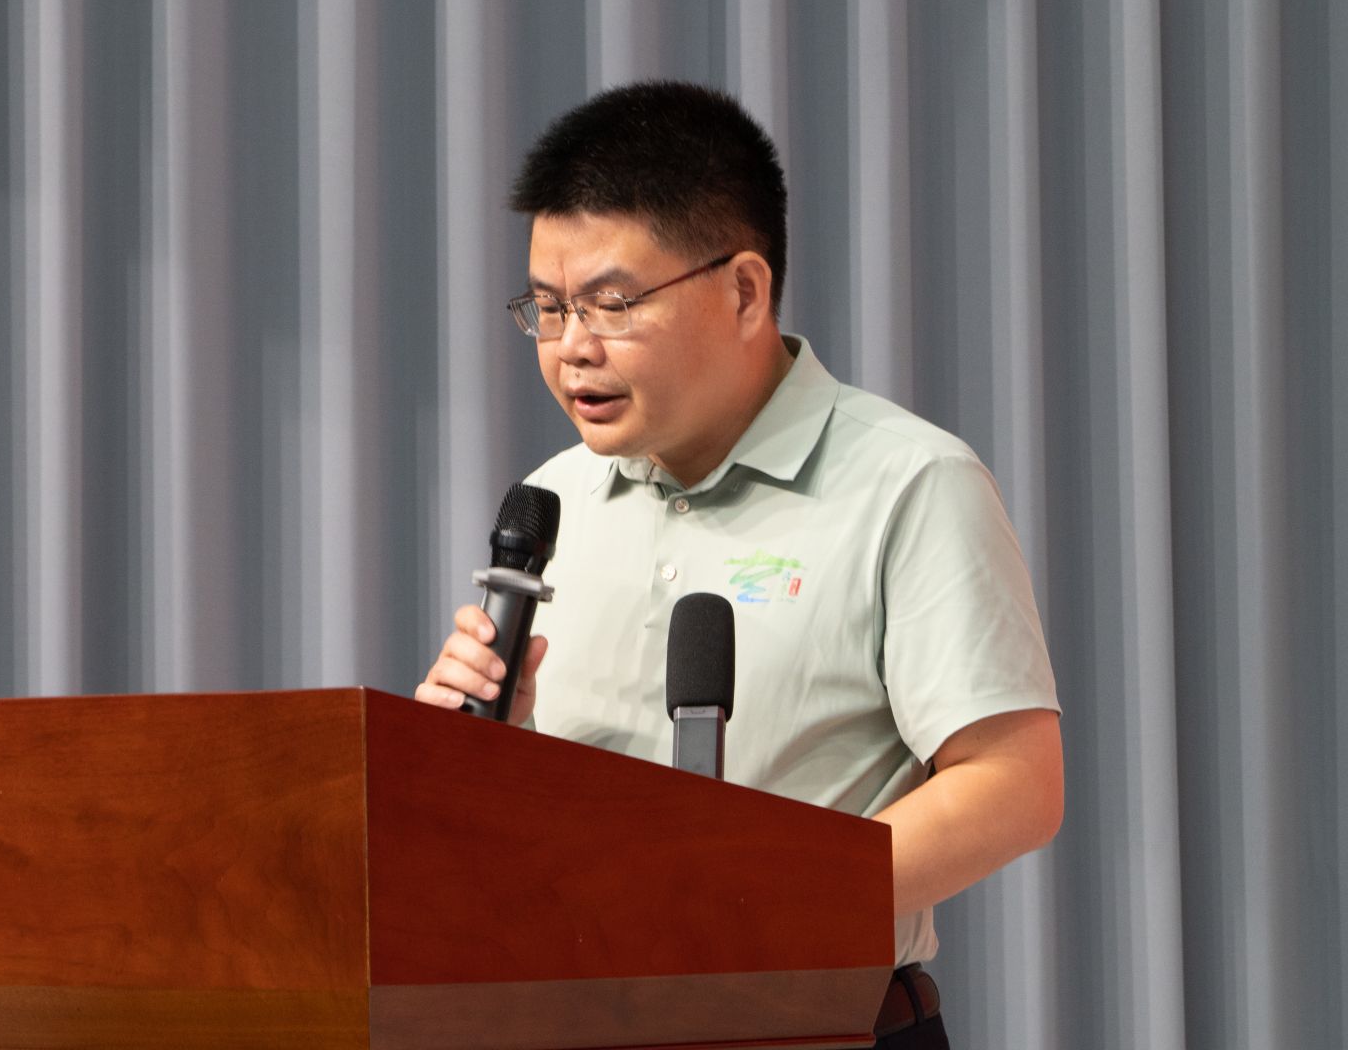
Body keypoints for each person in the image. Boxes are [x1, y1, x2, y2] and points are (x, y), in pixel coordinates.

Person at [416, 82, 1063, 1050]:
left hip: (823, 1027)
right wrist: (483, 757)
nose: (572, 349)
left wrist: (756, 901)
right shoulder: (552, 499)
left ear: (744, 291)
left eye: (611, 304)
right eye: (547, 309)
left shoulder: (906, 481)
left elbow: (1014, 785)